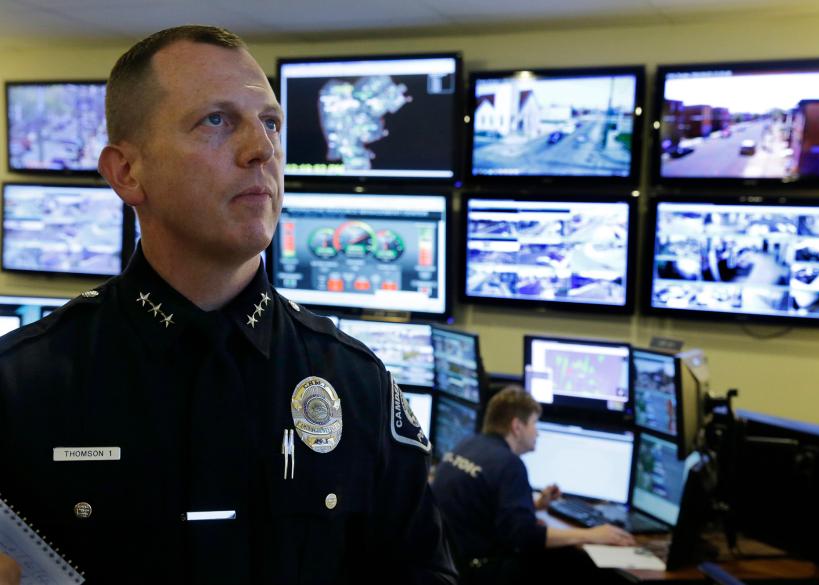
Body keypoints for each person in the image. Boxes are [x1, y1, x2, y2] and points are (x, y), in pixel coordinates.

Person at [0, 25, 456, 585]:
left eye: (270, 123)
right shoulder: (20, 387)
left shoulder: (358, 386)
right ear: (126, 172)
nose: (261, 149)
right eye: (215, 120)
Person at [432, 386, 635, 584]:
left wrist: (536, 505)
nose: (538, 433)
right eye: (534, 423)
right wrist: (592, 534)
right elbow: (525, 536)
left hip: (446, 565)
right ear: (517, 427)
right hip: (479, 571)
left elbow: (485, 506)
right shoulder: (509, 464)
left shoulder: (469, 444)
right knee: (569, 563)